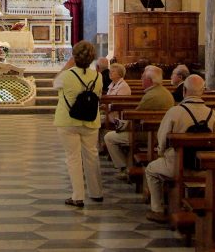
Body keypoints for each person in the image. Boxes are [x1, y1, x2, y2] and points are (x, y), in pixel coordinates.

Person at [145, 74, 215, 223]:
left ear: (184, 91)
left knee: (151, 170)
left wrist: (161, 154)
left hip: (176, 164)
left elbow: (162, 139)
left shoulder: (175, 112)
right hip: (203, 167)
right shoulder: (213, 114)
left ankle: (157, 209)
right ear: (202, 91)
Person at [53, 40, 104, 208]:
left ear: (74, 57)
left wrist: (67, 66)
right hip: (91, 120)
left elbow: (55, 84)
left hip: (68, 120)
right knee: (91, 155)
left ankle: (78, 196)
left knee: (73, 157)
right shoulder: (98, 76)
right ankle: (96, 192)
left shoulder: (67, 75)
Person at [104, 64, 174, 179]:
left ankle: (125, 168)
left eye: (142, 78)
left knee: (109, 137)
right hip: (159, 131)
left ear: (149, 80)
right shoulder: (165, 92)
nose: (141, 80)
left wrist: (121, 125)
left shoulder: (151, 96)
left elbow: (135, 117)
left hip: (149, 134)